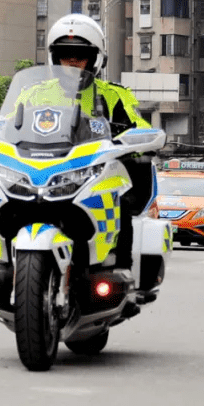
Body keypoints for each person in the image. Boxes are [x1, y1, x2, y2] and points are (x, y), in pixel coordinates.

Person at [44, 13, 153, 271]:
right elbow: (5, 128)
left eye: (79, 55)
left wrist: (139, 139)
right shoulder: (34, 94)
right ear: (54, 57)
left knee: (121, 204)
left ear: (93, 60)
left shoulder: (113, 96)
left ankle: (122, 273)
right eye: (64, 54)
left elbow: (141, 128)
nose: (71, 61)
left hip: (95, 178)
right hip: (46, 177)